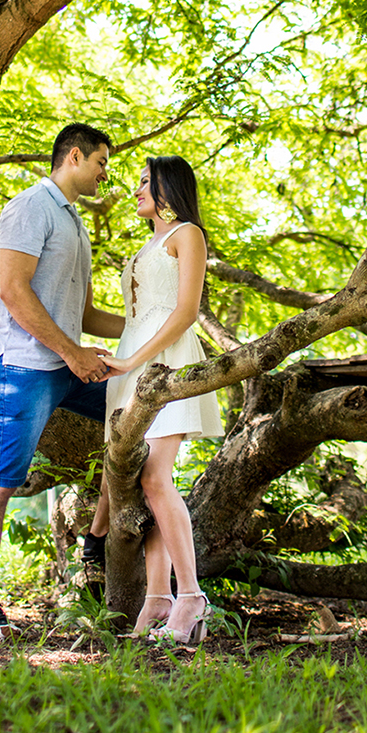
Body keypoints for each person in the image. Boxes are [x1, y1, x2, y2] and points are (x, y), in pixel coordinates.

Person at [0, 122, 124, 640]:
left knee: (139, 413)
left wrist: (156, 324)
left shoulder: (73, 221)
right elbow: (13, 291)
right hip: (21, 367)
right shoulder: (31, 207)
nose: (106, 173)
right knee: (0, 480)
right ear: (74, 157)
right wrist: (73, 354)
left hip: (64, 365)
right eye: (101, 162)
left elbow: (83, 312)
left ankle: (96, 540)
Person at [101, 155, 223, 644]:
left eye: (146, 183)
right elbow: (133, 318)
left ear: (169, 187)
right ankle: (156, 600)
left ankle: (191, 596)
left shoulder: (186, 234)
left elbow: (185, 311)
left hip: (164, 363)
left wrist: (136, 364)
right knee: (145, 482)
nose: (136, 190)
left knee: (155, 478)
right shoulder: (147, 243)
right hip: (131, 363)